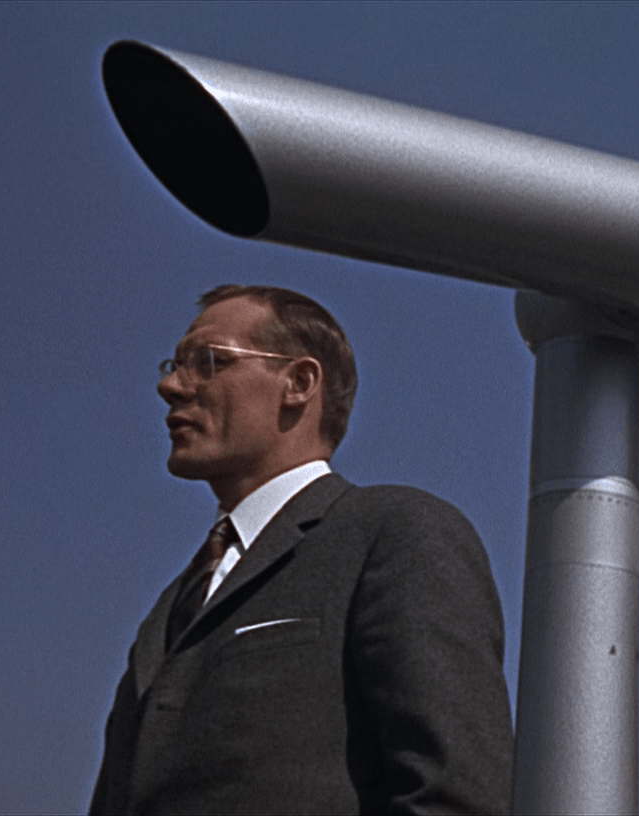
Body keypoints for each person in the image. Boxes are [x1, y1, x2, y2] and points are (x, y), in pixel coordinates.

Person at [90, 284, 513, 814]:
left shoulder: (394, 533)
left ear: (298, 383)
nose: (171, 386)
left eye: (207, 361)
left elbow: (453, 797)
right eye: (174, 366)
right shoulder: (170, 608)